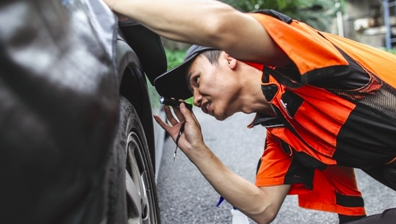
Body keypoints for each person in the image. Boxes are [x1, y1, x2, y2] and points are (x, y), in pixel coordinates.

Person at [103, 0, 396, 223]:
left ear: (230, 57)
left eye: (196, 80)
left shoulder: (299, 56)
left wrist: (120, 6)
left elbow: (220, 25)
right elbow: (262, 207)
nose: (195, 97)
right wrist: (197, 150)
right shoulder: (284, 133)